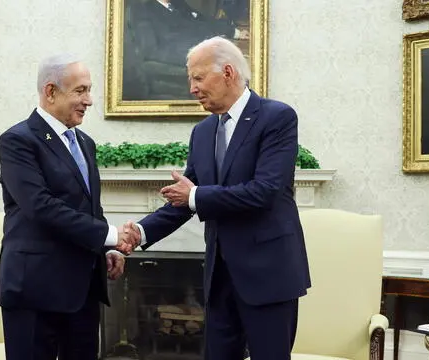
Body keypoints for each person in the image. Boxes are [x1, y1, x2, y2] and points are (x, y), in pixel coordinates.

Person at [128, 36, 310, 360]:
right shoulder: (202, 132)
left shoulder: (277, 118)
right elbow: (186, 199)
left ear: (227, 72)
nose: (192, 89)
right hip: (219, 279)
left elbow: (264, 191)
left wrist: (195, 194)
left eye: (198, 78)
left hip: (268, 276)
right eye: (191, 80)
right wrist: (139, 233)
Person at [0, 54, 141, 360]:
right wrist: (111, 235)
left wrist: (105, 249)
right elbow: (40, 207)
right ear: (50, 91)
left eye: (89, 90)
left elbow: (89, 207)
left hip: (83, 289)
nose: (89, 100)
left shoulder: (85, 142)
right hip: (35, 290)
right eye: (80, 91)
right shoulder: (17, 140)